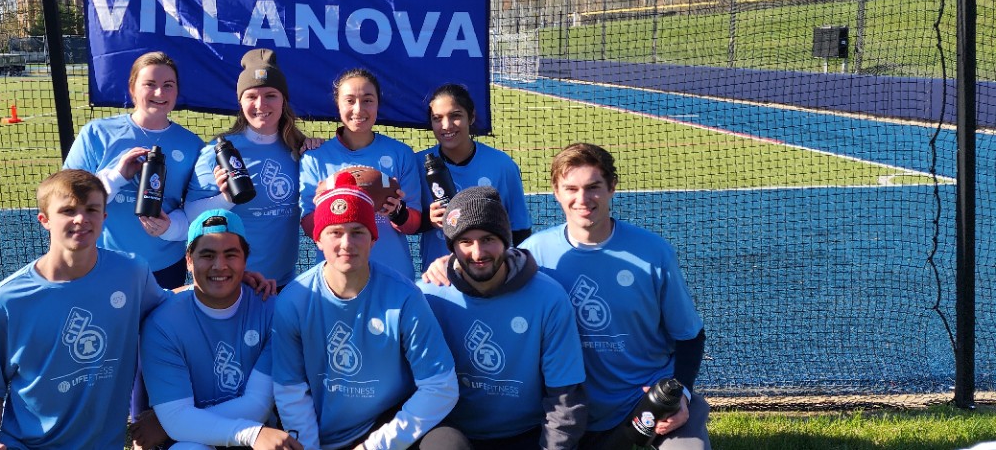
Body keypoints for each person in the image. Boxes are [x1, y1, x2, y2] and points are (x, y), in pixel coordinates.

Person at [521, 143, 709, 449]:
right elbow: (486, 270)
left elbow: (690, 335)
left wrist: (681, 394)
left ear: (612, 188)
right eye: (571, 188)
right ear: (556, 192)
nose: (582, 199)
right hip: (564, 409)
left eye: (593, 187)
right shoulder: (533, 255)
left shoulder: (653, 253)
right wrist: (447, 263)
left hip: (646, 404)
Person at [0, 169, 169, 450]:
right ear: (45, 220)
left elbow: (172, 310)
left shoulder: (132, 274)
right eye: (68, 210)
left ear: (104, 218)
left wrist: (231, 286)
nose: (81, 219)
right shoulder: (8, 299)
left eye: (91, 209)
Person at [273, 172, 465, 450]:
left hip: (386, 426)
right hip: (322, 432)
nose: (346, 244)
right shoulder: (294, 300)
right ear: (318, 239)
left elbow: (441, 387)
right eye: (335, 232)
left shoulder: (404, 296)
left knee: (448, 444)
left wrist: (373, 447)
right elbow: (290, 390)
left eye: (358, 232)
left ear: (373, 239)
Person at [418, 186, 588, 450]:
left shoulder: (548, 297)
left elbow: (564, 399)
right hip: (452, 432)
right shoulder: (427, 296)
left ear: (506, 240)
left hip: (527, 433)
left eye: (488, 239)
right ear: (452, 247)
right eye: (465, 242)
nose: (477, 253)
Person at [136, 209, 301, 450]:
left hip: (254, 432)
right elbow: (177, 419)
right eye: (207, 255)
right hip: (189, 439)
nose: (219, 265)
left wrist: (171, 423)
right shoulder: (163, 323)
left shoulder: (273, 312)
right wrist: (176, 422)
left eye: (231, 254)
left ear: (245, 260)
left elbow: (256, 404)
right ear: (189, 261)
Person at [170, 49, 316, 286]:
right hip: (233, 283)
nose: (261, 104)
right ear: (240, 102)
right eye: (251, 96)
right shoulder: (218, 153)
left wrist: (315, 149)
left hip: (284, 283)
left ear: (283, 100)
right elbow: (190, 216)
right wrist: (226, 198)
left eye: (270, 95)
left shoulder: (302, 150)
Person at [62, 51, 205, 289]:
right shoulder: (97, 133)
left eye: (168, 85)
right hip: (101, 261)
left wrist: (171, 227)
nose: (160, 93)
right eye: (150, 84)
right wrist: (117, 177)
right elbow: (65, 196)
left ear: (177, 91)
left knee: (158, 327)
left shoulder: (192, 145)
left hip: (165, 266)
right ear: (132, 89)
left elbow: (197, 210)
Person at [299, 68, 422, 280]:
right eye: (349, 100)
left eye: (367, 100)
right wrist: (328, 207)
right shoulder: (315, 157)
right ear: (338, 104)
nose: (358, 109)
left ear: (377, 105)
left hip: (394, 276)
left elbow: (414, 224)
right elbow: (309, 227)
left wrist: (398, 212)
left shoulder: (401, 154)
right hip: (338, 279)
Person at [416, 83, 532, 268]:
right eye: (437, 118)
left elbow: (520, 229)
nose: (446, 125)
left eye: (455, 116)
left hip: (487, 273)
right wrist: (428, 220)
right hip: (438, 275)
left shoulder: (502, 165)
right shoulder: (418, 164)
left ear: (471, 117)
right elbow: (409, 224)